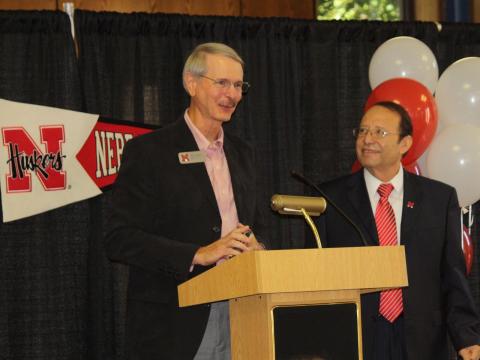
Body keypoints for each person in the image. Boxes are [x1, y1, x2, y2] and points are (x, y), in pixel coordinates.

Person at [106, 42, 265, 360]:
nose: (232, 94)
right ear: (191, 83)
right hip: (175, 321)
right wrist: (198, 254)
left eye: (238, 85)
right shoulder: (150, 152)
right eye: (222, 82)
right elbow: (119, 239)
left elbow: (259, 227)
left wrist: (257, 249)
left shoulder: (244, 154)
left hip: (242, 312)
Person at [315, 101, 480, 360]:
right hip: (355, 340)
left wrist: (467, 336)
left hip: (422, 340)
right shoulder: (328, 199)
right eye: (362, 131)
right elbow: (316, 277)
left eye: (379, 132)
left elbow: (452, 276)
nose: (367, 139)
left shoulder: (439, 199)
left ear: (405, 144)